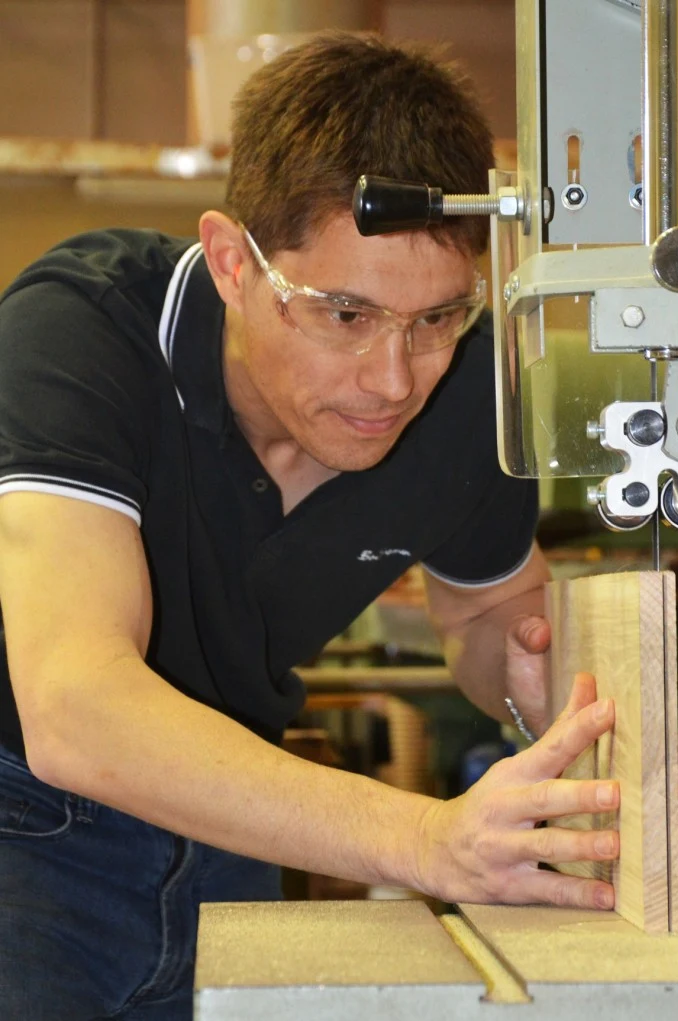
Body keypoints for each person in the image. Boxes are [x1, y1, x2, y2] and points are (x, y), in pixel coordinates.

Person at [0, 32, 619, 1020]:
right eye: (344, 314)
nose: (394, 379)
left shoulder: (465, 389)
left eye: (437, 319)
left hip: (239, 823)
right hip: (22, 823)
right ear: (233, 261)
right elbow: (73, 706)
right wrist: (426, 839)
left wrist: (534, 678)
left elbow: (492, 607)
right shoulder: (86, 331)